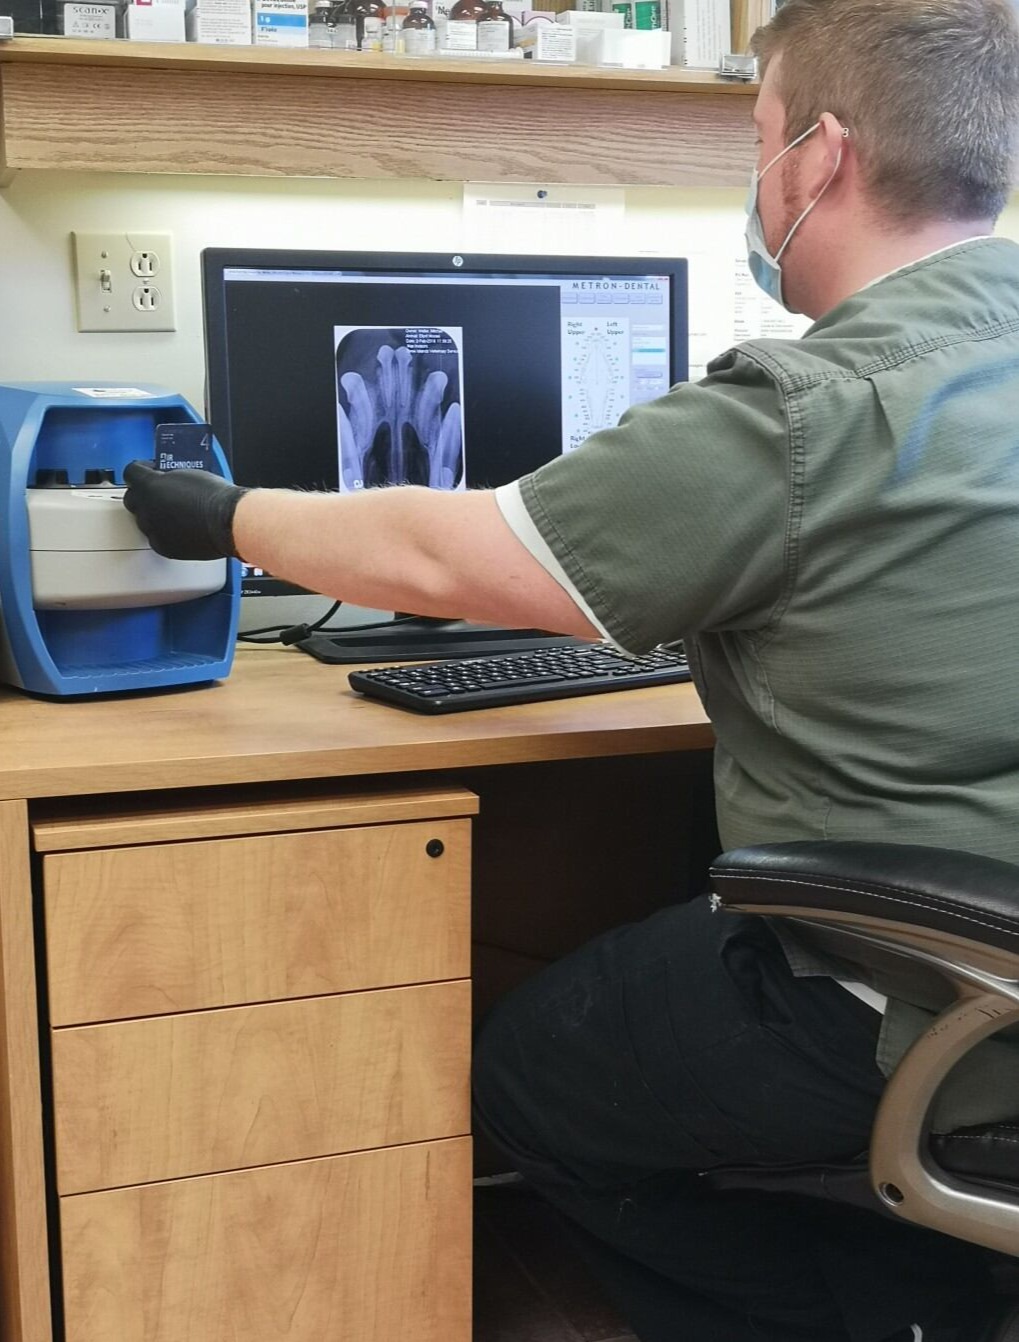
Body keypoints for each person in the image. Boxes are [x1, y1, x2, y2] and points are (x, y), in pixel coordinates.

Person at [123, 1, 1019, 1336]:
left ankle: (889, 1310)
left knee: (528, 1078)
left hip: (917, 999)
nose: (756, 175)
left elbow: (449, 556)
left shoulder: (807, 413)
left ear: (820, 158)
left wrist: (219, 512)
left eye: (759, 137)